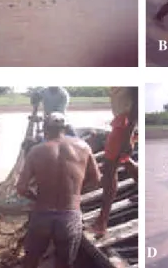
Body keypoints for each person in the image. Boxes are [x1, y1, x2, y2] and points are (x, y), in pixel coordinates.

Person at [16, 112, 101, 268]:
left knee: (31, 260)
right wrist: (75, 192)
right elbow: (96, 179)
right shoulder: (83, 147)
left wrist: (36, 198)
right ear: (65, 128)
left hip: (42, 214)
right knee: (64, 263)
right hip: (69, 215)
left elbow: (21, 188)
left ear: (45, 129)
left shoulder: (36, 151)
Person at [91, 87, 138, 236]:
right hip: (122, 122)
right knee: (124, 160)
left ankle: (102, 221)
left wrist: (127, 136)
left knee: (109, 171)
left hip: (125, 125)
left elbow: (137, 103)